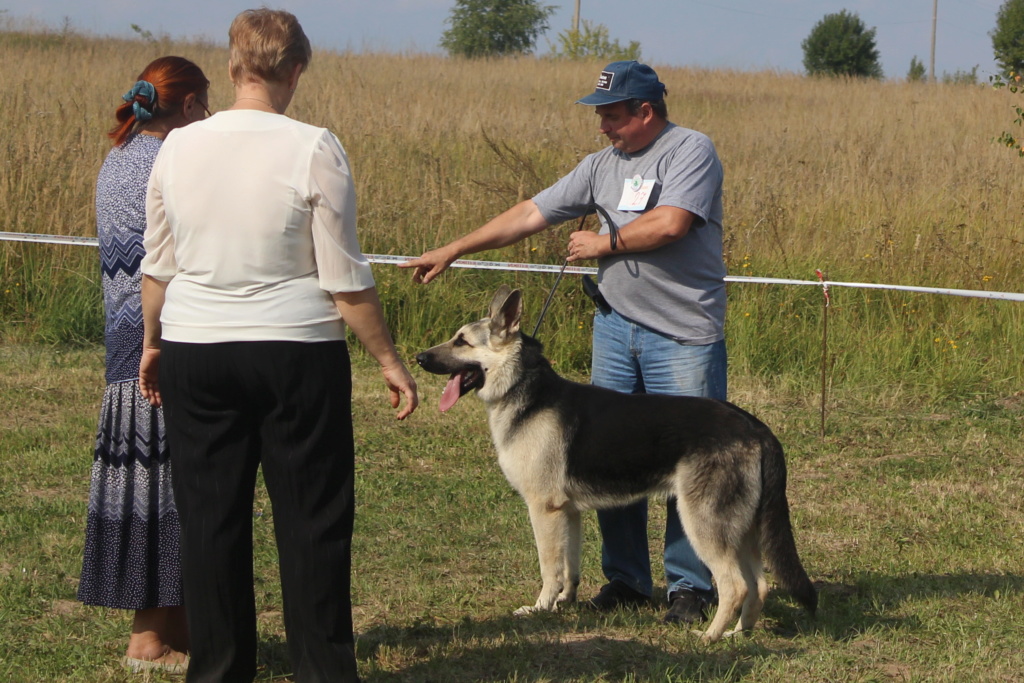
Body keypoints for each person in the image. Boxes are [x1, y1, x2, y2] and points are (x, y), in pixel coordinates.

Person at [138, 8, 418, 683]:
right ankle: (322, 670)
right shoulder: (315, 146)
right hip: (295, 349)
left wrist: (152, 343)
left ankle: (218, 670)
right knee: (313, 518)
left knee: (209, 520)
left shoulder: (176, 146)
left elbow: (158, 266)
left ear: (233, 68)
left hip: (197, 345)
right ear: (295, 69)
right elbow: (344, 277)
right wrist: (387, 358)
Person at [401, 60, 727, 625]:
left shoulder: (690, 150)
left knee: (685, 460)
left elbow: (672, 222)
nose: (601, 126)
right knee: (607, 455)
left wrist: (605, 243)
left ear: (645, 111)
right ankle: (626, 579)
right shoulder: (600, 166)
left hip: (682, 336)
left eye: (612, 115)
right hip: (615, 330)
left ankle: (690, 588)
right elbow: (532, 212)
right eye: (600, 115)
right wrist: (455, 247)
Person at [78, 56, 210, 674]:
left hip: (125, 347)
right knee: (162, 486)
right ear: (184, 107)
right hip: (158, 348)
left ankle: (177, 626)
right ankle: (148, 640)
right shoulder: (169, 162)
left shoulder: (119, 157)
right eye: (204, 106)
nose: (208, 117)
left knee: (155, 484)